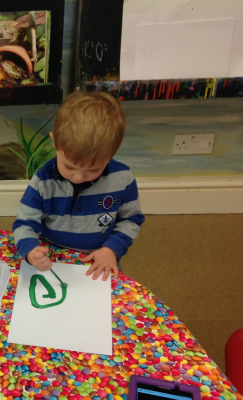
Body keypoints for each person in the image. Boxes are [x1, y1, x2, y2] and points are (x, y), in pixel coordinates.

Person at [13, 92, 145, 281]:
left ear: (114, 149)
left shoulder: (122, 178)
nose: (78, 178)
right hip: (50, 258)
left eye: (93, 170)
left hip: (98, 260)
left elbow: (131, 220)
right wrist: (31, 251)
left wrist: (111, 249)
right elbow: (24, 222)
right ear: (55, 141)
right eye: (68, 166)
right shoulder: (43, 179)